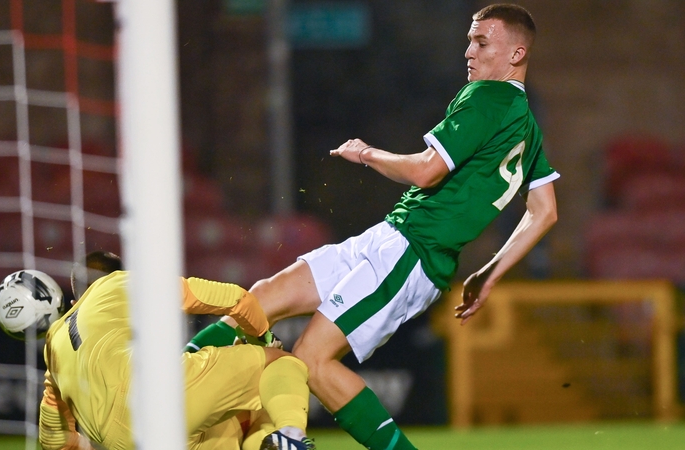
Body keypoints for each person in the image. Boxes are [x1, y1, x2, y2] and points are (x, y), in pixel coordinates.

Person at [187, 4, 559, 449]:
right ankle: (173, 379)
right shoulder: (527, 126)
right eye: (469, 40)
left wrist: (366, 154)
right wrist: (490, 272)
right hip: (390, 237)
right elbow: (545, 210)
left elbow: (426, 171)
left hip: (412, 254)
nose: (468, 51)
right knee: (263, 296)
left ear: (517, 53)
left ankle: (290, 439)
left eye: (481, 42)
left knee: (310, 358)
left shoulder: (487, 99)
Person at [38, 251, 316, 450]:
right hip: (154, 393)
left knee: (227, 427)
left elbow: (53, 440)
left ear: (75, 299)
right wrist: (262, 339)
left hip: (122, 442)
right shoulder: (117, 284)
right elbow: (236, 299)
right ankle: (291, 435)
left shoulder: (53, 344)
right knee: (277, 365)